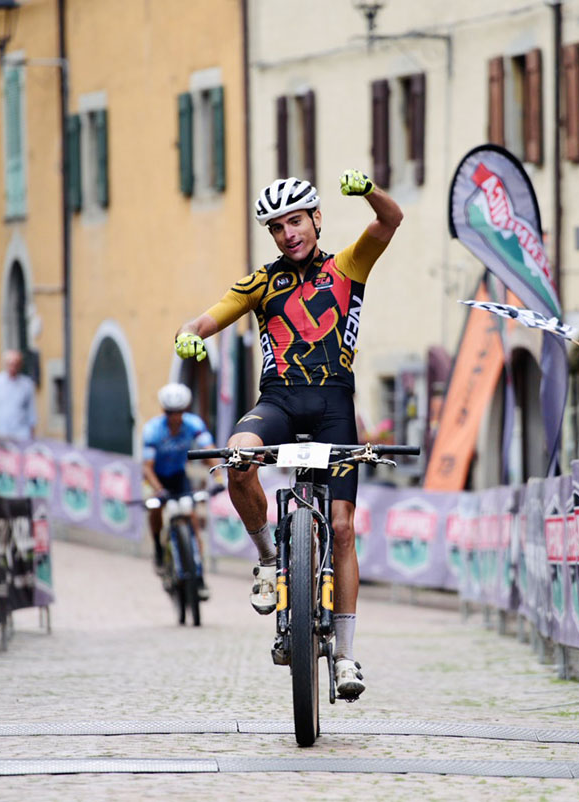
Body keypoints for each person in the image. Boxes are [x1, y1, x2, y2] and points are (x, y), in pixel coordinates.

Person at [174, 169, 402, 700]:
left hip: (333, 407)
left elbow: (391, 220)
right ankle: (269, 559)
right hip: (277, 402)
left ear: (316, 219)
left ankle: (345, 655)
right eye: (276, 227)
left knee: (342, 529)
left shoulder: (348, 265)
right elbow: (208, 319)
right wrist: (188, 336)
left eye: (294, 221)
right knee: (236, 458)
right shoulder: (262, 281)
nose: (287, 234)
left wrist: (368, 191)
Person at [141, 383, 217, 599]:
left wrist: (219, 476)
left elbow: (208, 450)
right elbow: (146, 466)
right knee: (155, 508)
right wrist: (159, 489)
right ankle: (157, 547)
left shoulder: (194, 424)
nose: (175, 417)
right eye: (170, 413)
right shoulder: (153, 430)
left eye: (179, 412)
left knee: (192, 520)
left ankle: (199, 576)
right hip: (155, 477)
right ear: (164, 412)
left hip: (178, 475)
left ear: (185, 411)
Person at [0, 349, 37, 440]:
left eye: (16, 363)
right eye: (10, 363)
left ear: (20, 365)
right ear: (5, 364)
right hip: (0, 433)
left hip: (21, 434)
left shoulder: (27, 384)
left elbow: (31, 411)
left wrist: (32, 435)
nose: (13, 366)